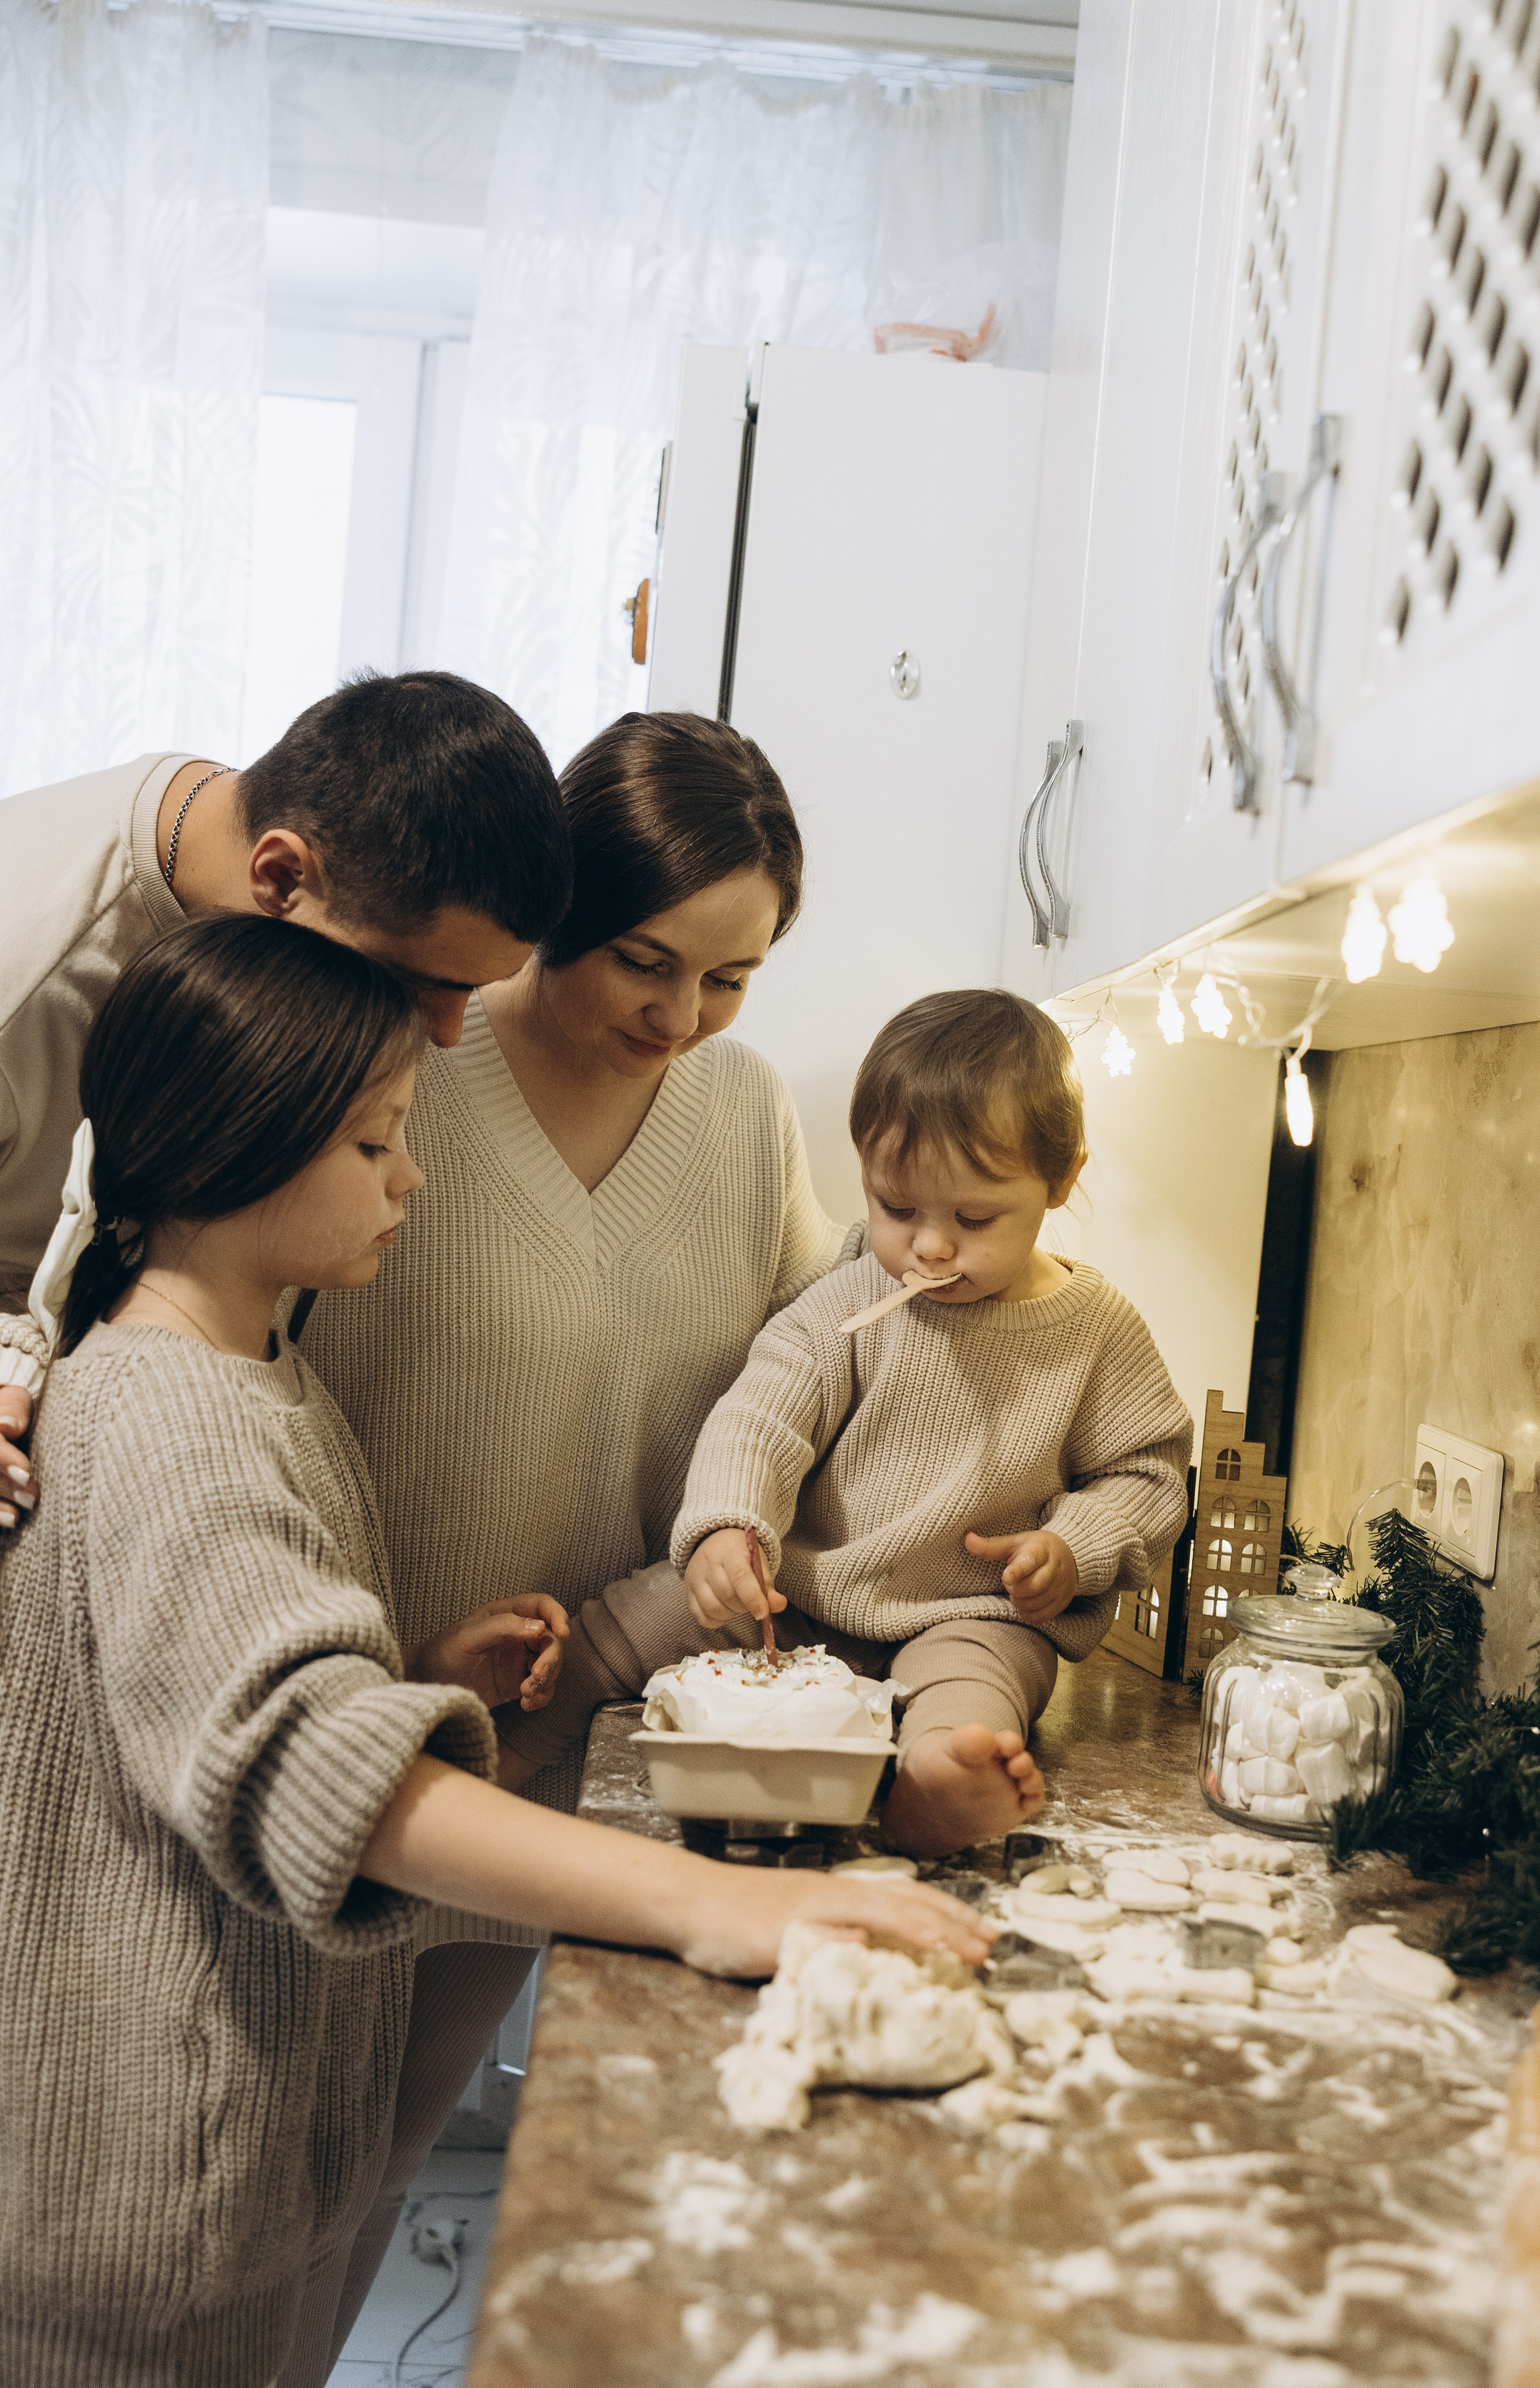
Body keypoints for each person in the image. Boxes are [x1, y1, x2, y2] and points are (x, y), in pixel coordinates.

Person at [0, 916, 990, 2388]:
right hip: (140, 2220)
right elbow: (320, 1781)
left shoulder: (250, 1372)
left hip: (219, 2177)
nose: (410, 1176)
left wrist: (410, 1675)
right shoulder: (174, 1418)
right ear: (234, 1147)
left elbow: (191, 1714)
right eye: (374, 1144)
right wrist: (711, 1904)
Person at [290, 710, 847, 2376]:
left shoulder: (741, 1115)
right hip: (335, 1712)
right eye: (643, 962)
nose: (679, 1019)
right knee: (254, 2176)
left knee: (386, 2160)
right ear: (558, 909)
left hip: (542, 1745)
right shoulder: (406, 1060)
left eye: (731, 979)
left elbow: (820, 1353)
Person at [506, 989, 1194, 1857]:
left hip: (971, 1611)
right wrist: (727, 1528)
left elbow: (1149, 1472)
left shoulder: (1098, 1329)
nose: (930, 1247)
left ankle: (936, 1783)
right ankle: (509, 1749)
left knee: (983, 1685)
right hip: (805, 1597)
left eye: (974, 1219)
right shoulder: (850, 1304)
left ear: (1061, 1180)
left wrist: (1074, 1547)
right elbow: (760, 1416)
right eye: (897, 1209)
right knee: (638, 1616)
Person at [0, 667, 572, 1505]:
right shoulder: (26, 975)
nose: (448, 1034)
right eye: (424, 984)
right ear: (279, 877)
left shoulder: (285, 834)